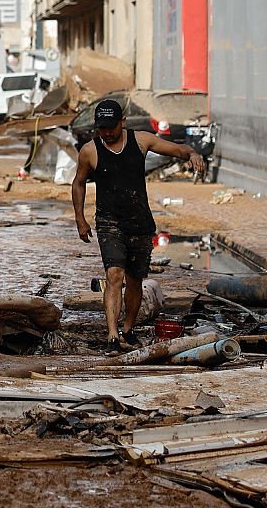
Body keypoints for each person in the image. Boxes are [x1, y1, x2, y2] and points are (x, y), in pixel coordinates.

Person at [72, 98, 206, 346]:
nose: (107, 132)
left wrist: (193, 153)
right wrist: (80, 219)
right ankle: (112, 335)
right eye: (102, 128)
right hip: (108, 221)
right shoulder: (90, 151)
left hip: (140, 222)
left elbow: (176, 149)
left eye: (111, 127)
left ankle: (127, 329)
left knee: (135, 280)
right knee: (114, 274)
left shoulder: (141, 141)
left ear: (122, 122)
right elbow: (78, 183)